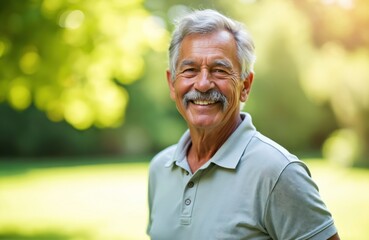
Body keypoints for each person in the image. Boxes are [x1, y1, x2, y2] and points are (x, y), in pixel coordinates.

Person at [147, 9, 340, 240]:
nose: (203, 83)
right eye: (190, 70)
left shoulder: (278, 173)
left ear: (245, 86)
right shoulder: (160, 169)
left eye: (219, 70)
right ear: (172, 83)